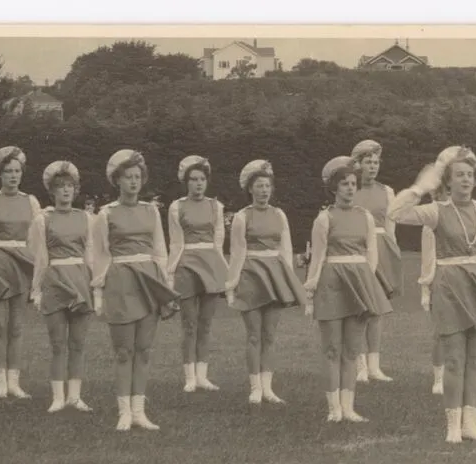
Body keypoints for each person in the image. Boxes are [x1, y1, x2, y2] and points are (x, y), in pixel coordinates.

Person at [387, 146, 476, 444]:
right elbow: (395, 213)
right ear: (447, 181)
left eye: (469, 175)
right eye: (458, 175)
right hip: (449, 286)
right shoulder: (437, 211)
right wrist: (422, 187)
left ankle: (471, 426)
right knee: (453, 360)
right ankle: (452, 428)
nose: (465, 180)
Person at [92, 149, 180, 431]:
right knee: (123, 351)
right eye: (127, 177)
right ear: (117, 181)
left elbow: (160, 251)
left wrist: (165, 284)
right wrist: (98, 291)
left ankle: (139, 412)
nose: (133, 182)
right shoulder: (105, 214)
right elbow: (99, 255)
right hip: (120, 281)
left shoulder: (151, 210)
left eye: (137, 177)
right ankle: (124, 413)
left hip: (149, 282)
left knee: (143, 350)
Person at [303, 156, 393, 423]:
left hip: (359, 282)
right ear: (334, 188)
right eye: (344, 184)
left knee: (352, 349)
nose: (351, 188)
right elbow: (317, 258)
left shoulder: (365, 217)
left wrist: (367, 282)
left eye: (353, 183)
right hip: (332, 283)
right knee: (332, 348)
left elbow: (372, 254)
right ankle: (334, 409)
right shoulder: (324, 218)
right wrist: (311, 292)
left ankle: (349, 407)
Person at [226, 160, 307, 405]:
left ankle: (268, 388)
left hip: (274, 275)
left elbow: (286, 248)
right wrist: (232, 285)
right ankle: (255, 388)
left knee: (269, 335)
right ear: (250, 189)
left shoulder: (279, 214)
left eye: (267, 186)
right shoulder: (242, 217)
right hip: (251, 276)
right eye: (259, 186)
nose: (263, 190)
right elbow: (237, 251)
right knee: (253, 335)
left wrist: (288, 280)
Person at [0, 146, 41, 399]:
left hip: (22, 263)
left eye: (17, 171)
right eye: (8, 172)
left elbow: (37, 239)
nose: (13, 176)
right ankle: (0, 383)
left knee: (17, 327)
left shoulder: (31, 201)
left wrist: (38, 273)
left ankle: (15, 382)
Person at [28, 161, 95, 413]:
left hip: (80, 281)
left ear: (75, 190)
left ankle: (75, 397)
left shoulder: (86, 218)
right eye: (60, 187)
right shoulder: (42, 220)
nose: (66, 191)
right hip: (55, 282)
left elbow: (90, 256)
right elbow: (41, 258)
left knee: (78, 343)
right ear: (52, 192)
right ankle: (57, 397)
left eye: (70, 186)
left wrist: (94, 287)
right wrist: (36, 290)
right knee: (58, 344)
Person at [167, 155, 229, 392]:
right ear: (186, 181)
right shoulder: (177, 206)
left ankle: (203, 375)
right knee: (189, 324)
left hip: (210, 266)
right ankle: (189, 377)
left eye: (202, 179)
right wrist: (171, 273)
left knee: (205, 323)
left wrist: (224, 271)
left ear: (207, 181)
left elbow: (218, 241)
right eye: (193, 179)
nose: (198, 183)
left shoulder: (217, 206)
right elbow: (175, 242)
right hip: (186, 266)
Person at [351, 140, 402, 383]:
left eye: (376, 162)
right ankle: (359, 365)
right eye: (368, 162)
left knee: (377, 311)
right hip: (358, 250)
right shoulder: (350, 188)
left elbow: (390, 227)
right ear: (357, 164)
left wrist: (392, 255)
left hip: (382, 250)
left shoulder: (387, 191)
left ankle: (374, 366)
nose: (372, 167)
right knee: (359, 308)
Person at [419, 183, 449, 395]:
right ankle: (439, 378)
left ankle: (459, 373)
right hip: (441, 280)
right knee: (442, 331)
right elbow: (428, 258)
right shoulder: (430, 222)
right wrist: (426, 289)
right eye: (444, 193)